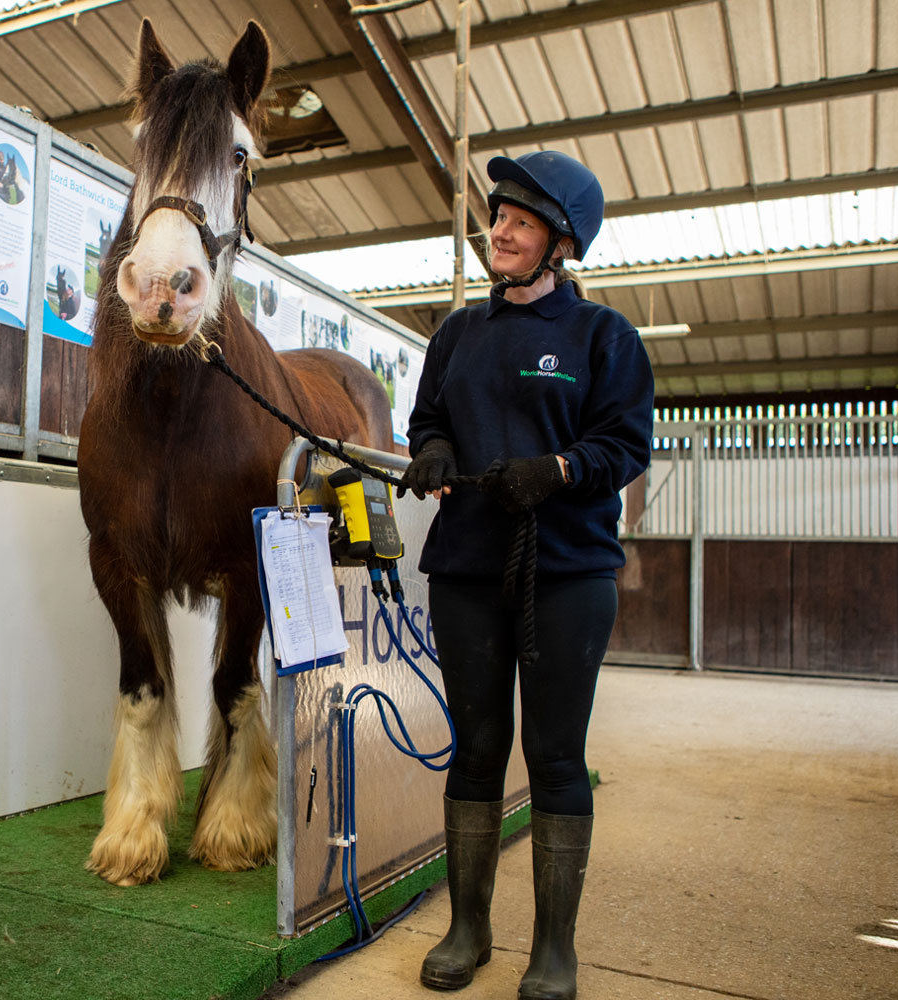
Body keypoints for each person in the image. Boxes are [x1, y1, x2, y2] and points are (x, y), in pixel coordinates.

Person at [400, 150, 654, 1000]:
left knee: (553, 756)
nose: (498, 232)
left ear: (562, 243)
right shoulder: (457, 334)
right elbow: (428, 417)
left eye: (519, 222)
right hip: (468, 565)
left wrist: (557, 469)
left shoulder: (604, 338)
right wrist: (431, 449)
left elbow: (622, 445)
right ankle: (468, 929)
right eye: (498, 217)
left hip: (569, 571)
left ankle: (555, 949)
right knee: (475, 750)